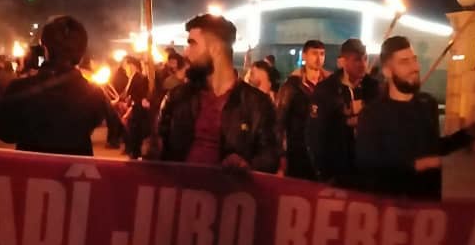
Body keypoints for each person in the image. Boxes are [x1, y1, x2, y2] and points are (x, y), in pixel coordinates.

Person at [356, 36, 475, 200]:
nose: (415, 67)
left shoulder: (427, 104)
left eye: (414, 60)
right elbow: (369, 167)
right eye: (404, 62)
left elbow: (432, 147)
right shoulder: (372, 114)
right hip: (392, 206)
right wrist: (417, 165)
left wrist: (465, 136)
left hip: (429, 203)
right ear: (387, 71)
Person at [153, 14, 278, 173]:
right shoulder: (177, 97)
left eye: (192, 44)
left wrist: (246, 165)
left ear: (216, 49)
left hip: (230, 188)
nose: (186, 54)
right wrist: (152, 147)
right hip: (180, 186)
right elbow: (160, 147)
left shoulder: (256, 104)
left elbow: (270, 157)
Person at [0, 15, 120, 156]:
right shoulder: (94, 95)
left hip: (31, 168)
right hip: (76, 168)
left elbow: (4, 132)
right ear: (81, 53)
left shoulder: (19, 88)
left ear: (45, 49)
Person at [305, 38, 382, 186]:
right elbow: (315, 134)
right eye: (357, 60)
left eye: (365, 58)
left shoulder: (374, 88)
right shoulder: (327, 90)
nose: (363, 64)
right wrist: (324, 172)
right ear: (344, 62)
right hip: (338, 170)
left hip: (369, 171)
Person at [275, 40, 329, 180]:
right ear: (304, 56)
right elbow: (279, 121)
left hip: (324, 152)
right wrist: (281, 155)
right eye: (314, 53)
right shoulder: (292, 85)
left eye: (322, 54)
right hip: (298, 151)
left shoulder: (330, 84)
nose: (318, 58)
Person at [121, 56, 150, 159]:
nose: (124, 69)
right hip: (135, 110)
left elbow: (139, 97)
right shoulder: (133, 77)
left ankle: (135, 154)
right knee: (133, 133)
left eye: (125, 65)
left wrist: (129, 109)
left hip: (138, 112)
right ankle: (133, 152)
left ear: (132, 65)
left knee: (136, 133)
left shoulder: (139, 78)